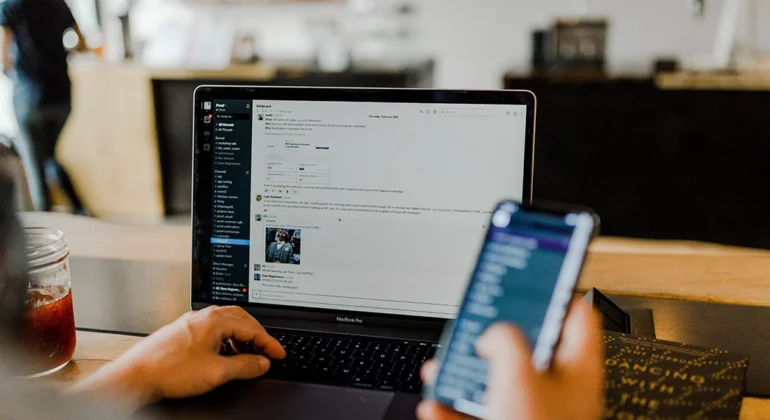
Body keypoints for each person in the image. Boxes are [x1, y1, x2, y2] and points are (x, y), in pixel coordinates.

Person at [0, 0, 88, 213]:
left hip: (29, 95)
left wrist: (10, 72)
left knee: (36, 167)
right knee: (50, 156)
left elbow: (3, 50)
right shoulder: (58, 3)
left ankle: (47, 225)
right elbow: (82, 44)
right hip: (61, 94)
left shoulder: (11, 4)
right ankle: (81, 210)